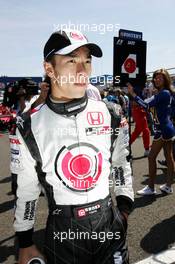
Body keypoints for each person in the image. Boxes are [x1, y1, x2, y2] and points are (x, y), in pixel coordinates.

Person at [12, 29, 134, 264]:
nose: (83, 71)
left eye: (87, 61)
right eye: (71, 61)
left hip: (109, 223)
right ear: (49, 69)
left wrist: (125, 207)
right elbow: (26, 189)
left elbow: (121, 162)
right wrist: (25, 241)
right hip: (63, 232)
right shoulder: (28, 126)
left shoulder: (111, 114)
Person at [127, 68, 175, 195]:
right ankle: (168, 186)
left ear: (166, 79)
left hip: (162, 130)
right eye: (156, 77)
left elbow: (146, 105)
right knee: (169, 158)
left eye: (160, 77)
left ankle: (151, 187)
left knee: (151, 156)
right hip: (168, 128)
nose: (157, 79)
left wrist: (133, 95)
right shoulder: (165, 92)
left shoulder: (163, 93)